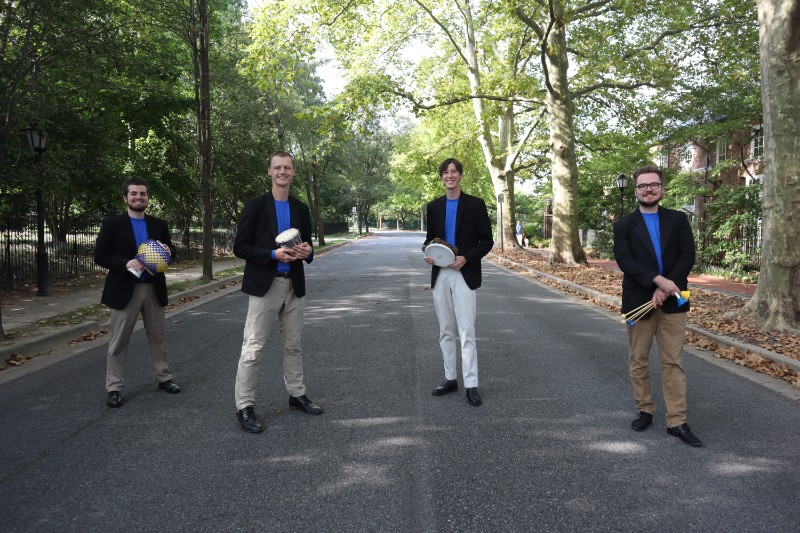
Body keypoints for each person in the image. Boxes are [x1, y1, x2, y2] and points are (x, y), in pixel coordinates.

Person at [232, 151, 321, 434]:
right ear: (269, 171)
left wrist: (308, 253)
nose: (282, 171)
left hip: (294, 285)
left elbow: (307, 246)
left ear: (293, 172)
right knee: (253, 347)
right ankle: (244, 406)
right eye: (277, 167)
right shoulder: (256, 206)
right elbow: (240, 247)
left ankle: (297, 394)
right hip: (265, 285)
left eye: (287, 167)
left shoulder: (300, 208)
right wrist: (272, 253)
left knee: (293, 345)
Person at [613, 165, 701, 446]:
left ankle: (677, 421)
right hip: (638, 299)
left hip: (676, 297)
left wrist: (667, 287)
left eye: (654, 185)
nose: (648, 189)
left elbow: (688, 256)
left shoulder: (678, 220)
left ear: (662, 188)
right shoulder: (624, 225)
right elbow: (625, 261)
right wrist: (657, 282)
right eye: (642, 186)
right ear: (636, 190)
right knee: (638, 359)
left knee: (673, 361)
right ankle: (644, 409)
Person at [94, 176, 180, 408]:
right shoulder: (112, 224)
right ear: (125, 197)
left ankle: (164, 378)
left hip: (153, 287)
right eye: (134, 194)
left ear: (147, 198)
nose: (139, 197)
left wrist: (169, 250)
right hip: (124, 289)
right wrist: (125, 263)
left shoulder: (158, 224)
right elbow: (100, 255)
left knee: (158, 337)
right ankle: (114, 388)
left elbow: (172, 251)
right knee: (119, 341)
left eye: (142, 194)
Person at [423, 158, 494, 406]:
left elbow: (487, 241)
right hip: (441, 274)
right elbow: (430, 240)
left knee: (467, 331)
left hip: (465, 273)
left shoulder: (475, 204)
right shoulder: (433, 207)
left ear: (460, 176)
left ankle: (471, 384)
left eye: (454, 172)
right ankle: (450, 378)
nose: (449, 175)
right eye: (445, 172)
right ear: (442, 177)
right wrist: (429, 255)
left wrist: (466, 258)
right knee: (445, 329)